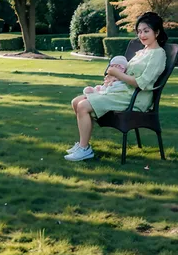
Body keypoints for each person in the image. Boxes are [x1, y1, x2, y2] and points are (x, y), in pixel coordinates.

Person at [65, 11, 168, 162]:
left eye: (146, 31)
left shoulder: (158, 54)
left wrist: (118, 74)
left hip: (136, 98)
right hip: (122, 91)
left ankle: (84, 149)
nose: (142, 35)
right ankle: (82, 144)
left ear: (157, 32)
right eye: (139, 31)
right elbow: (128, 73)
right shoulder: (143, 51)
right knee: (76, 101)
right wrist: (113, 76)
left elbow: (142, 83)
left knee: (82, 106)